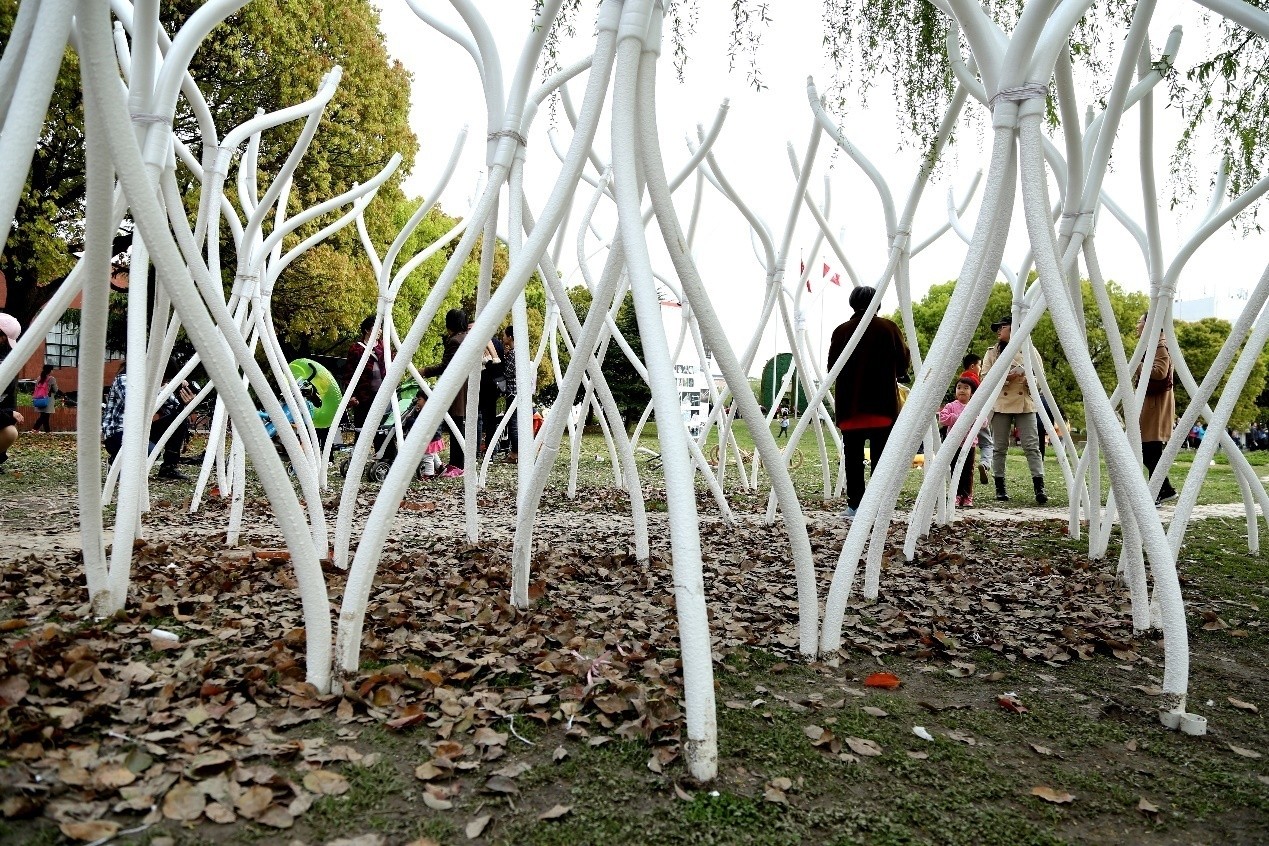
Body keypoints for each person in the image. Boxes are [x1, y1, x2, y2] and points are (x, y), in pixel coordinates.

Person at [827, 286, 910, 517]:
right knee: (880, 459)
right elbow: (903, 362)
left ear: (852, 302)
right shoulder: (888, 328)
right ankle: (877, 505)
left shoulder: (841, 331)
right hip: (881, 405)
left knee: (853, 459)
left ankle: (855, 505)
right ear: (878, 303)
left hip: (850, 406)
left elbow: (832, 367)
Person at [982, 313, 1047, 504]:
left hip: (1024, 402)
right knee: (999, 447)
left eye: (1002, 327)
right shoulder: (992, 353)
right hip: (1001, 403)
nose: (998, 331)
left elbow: (1041, 378)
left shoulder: (1030, 350)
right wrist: (1006, 378)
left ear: (1013, 329)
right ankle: (1000, 487)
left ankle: (1039, 487)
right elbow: (984, 378)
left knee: (1032, 446)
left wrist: (1030, 381)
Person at [101, 361, 192, 480]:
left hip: (141, 431)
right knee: (150, 452)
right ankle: (115, 462)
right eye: (164, 379)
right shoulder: (124, 379)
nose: (163, 383)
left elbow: (174, 406)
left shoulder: (156, 386)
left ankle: (169, 467)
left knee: (178, 419)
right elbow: (137, 404)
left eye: (166, 380)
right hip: (117, 433)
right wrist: (163, 389)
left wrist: (185, 400)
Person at [422, 308, 473, 476]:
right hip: (468, 386)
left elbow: (446, 367)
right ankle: (459, 463)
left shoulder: (454, 341)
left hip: (456, 388)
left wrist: (425, 371)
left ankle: (457, 464)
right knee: (460, 425)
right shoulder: (469, 338)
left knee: (455, 426)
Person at [1135, 314, 1177, 504]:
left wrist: (1137, 365)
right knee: (1150, 450)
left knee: (1149, 449)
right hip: (1153, 404)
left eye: (1140, 322)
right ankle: (1163, 489)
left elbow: (1160, 372)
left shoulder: (1160, 345)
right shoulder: (1155, 343)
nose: (1137, 325)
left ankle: (1159, 491)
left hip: (1155, 405)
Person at [938, 374, 980, 507]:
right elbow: (943, 419)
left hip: (969, 445)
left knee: (968, 471)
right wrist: (957, 418)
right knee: (955, 469)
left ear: (972, 392)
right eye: (959, 387)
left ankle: (967, 496)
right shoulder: (951, 406)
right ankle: (956, 495)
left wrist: (972, 419)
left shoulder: (975, 407)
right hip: (954, 444)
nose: (962, 390)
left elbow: (983, 422)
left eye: (966, 388)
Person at [342, 315, 385, 430]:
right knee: (361, 429)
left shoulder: (384, 347)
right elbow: (349, 373)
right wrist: (351, 395)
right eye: (376, 328)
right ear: (367, 330)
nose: (380, 331)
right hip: (363, 396)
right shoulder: (356, 349)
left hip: (382, 395)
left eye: (380, 328)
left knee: (381, 430)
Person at [961, 352, 991, 485]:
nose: (980, 368)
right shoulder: (974, 381)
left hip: (962, 415)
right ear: (973, 366)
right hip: (977, 415)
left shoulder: (961, 380)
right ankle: (985, 463)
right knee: (987, 443)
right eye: (980, 365)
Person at [0, 314, 25, 472]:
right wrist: (9, 414)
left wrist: (9, 414)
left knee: (9, 428)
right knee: (9, 431)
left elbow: (9, 401)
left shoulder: (7, 362)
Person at [477, 330, 505, 455]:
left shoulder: (482, 342)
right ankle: (491, 450)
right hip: (493, 386)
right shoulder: (498, 343)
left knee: (479, 418)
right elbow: (501, 366)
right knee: (491, 420)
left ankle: (478, 449)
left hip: (483, 385)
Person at [500, 325, 519, 462]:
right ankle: (515, 452)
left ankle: (515, 453)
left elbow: (507, 372)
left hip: (512, 392)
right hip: (516, 392)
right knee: (514, 423)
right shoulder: (516, 352)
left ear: (510, 337)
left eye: (504, 335)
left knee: (512, 423)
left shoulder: (513, 353)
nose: (503, 338)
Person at [31, 364, 58, 433]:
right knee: (44, 416)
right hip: (47, 399)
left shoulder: (39, 378)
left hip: (39, 398)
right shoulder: (51, 379)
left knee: (45, 416)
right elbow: (55, 390)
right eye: (52, 370)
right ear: (50, 370)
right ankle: (34, 429)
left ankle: (47, 432)